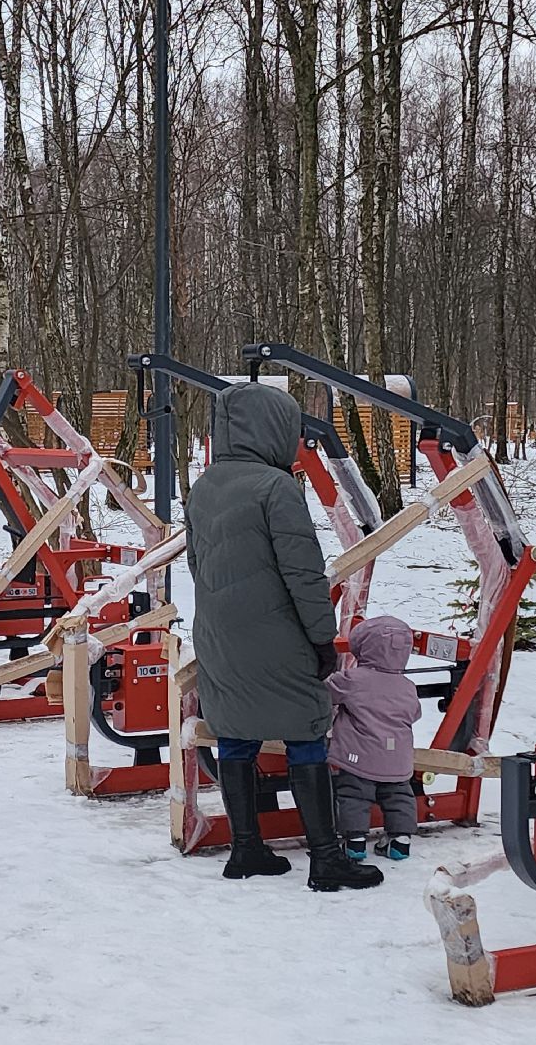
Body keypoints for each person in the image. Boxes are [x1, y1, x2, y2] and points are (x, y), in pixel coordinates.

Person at [185, 382, 382, 891]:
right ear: (271, 429)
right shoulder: (277, 488)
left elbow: (196, 565)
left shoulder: (203, 487)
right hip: (277, 637)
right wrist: (322, 639)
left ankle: (245, 848)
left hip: (218, 636)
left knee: (235, 735)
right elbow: (303, 574)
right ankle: (327, 858)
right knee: (306, 734)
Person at [326, 615, 422, 862]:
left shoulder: (352, 679)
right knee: (400, 797)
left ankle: (355, 842)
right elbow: (415, 713)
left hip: (360, 756)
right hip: (397, 758)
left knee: (354, 795)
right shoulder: (407, 686)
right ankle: (400, 842)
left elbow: (325, 694)